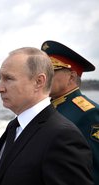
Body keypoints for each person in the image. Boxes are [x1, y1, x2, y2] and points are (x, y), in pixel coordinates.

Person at [0, 47, 93, 185]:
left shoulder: (63, 136)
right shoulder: (14, 126)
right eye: (0, 78)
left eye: (9, 78)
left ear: (39, 82)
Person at [41, 40, 99, 185]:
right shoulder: (49, 108)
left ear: (71, 77)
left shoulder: (89, 113)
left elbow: (96, 167)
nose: (43, 77)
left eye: (51, 72)